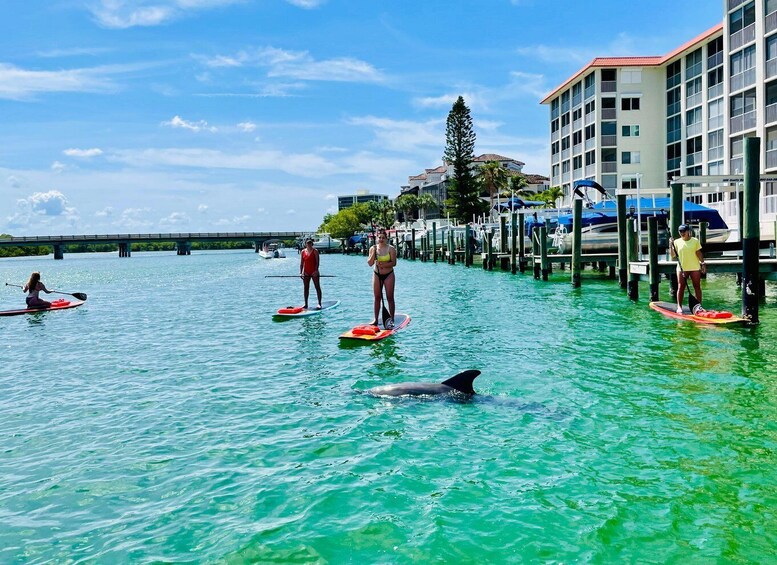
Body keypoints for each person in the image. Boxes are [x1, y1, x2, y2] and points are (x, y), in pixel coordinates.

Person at [669, 223, 706, 314]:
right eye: (680, 231)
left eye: (683, 231)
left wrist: (703, 263)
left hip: (694, 267)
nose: (682, 233)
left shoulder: (695, 241)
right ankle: (679, 306)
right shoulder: (677, 242)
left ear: (688, 231)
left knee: (697, 287)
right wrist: (671, 245)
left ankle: (699, 306)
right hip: (682, 268)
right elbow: (673, 255)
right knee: (681, 287)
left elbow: (698, 253)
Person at [367, 228, 397, 328]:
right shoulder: (373, 248)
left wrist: (384, 265)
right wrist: (373, 254)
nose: (381, 239)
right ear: (376, 238)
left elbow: (394, 263)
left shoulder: (391, 249)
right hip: (377, 274)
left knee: (390, 297)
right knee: (377, 297)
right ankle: (375, 319)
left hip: (389, 275)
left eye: (383, 238)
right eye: (379, 237)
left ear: (386, 239)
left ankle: (391, 319)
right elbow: (370, 263)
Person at [299, 238, 322, 309]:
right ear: (305, 244)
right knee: (306, 288)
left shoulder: (315, 251)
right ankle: (306, 304)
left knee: (317, 287)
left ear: (312, 244)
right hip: (306, 272)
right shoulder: (303, 251)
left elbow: (317, 262)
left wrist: (316, 271)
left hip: (314, 272)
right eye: (307, 244)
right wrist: (301, 272)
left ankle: (319, 303)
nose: (308, 245)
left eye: (310, 244)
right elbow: (302, 263)